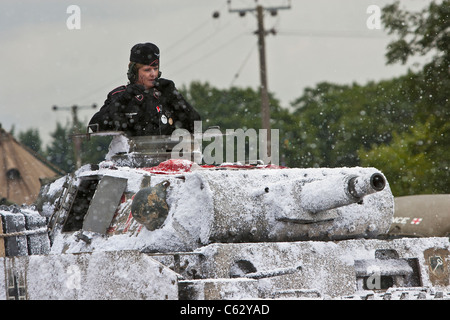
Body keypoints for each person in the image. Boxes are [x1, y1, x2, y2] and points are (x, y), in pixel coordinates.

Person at [89, 42, 201, 136]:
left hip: (165, 158)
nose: (153, 74)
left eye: (155, 69)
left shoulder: (164, 94)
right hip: (132, 159)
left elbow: (195, 125)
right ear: (134, 71)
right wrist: (123, 100)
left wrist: (175, 97)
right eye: (147, 70)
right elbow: (96, 126)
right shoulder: (120, 94)